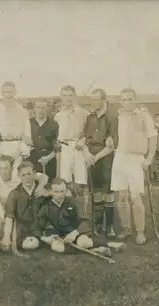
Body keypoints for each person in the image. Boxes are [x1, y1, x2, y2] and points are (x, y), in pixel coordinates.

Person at [111, 88, 157, 245]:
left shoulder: (144, 115)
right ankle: (126, 229)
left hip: (136, 158)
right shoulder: (118, 117)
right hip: (119, 158)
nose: (127, 103)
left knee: (136, 197)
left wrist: (149, 158)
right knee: (121, 198)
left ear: (135, 100)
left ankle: (140, 232)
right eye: (124, 100)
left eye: (130, 99)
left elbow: (153, 137)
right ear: (120, 102)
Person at [33, 178, 117, 255]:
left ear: (66, 191)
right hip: (59, 238)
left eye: (62, 191)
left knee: (83, 242)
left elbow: (86, 221)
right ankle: (96, 249)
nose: (59, 195)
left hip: (76, 234)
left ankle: (93, 246)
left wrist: (74, 233)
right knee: (56, 247)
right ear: (51, 191)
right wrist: (44, 238)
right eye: (56, 192)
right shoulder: (46, 208)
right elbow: (37, 227)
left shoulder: (73, 202)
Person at [82, 88, 116, 237]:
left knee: (108, 192)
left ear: (104, 100)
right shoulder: (89, 118)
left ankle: (109, 227)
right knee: (96, 193)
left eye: (96, 99)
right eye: (92, 99)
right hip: (91, 157)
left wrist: (95, 158)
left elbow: (112, 145)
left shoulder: (112, 117)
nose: (93, 102)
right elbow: (84, 139)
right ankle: (97, 225)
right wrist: (87, 154)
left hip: (105, 158)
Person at [54, 85, 90, 215]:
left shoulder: (83, 112)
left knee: (81, 184)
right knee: (65, 183)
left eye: (70, 95)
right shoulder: (58, 115)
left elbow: (89, 132)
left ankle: (83, 215)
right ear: (61, 97)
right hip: (63, 148)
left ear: (74, 96)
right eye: (65, 95)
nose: (67, 98)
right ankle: (68, 214)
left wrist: (84, 140)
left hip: (78, 148)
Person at [1, 161, 49, 256]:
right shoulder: (14, 194)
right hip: (23, 228)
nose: (27, 178)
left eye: (29, 174)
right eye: (23, 175)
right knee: (29, 245)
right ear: (18, 176)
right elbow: (9, 216)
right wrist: (6, 236)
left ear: (34, 174)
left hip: (40, 226)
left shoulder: (42, 190)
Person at [27, 99, 59, 181]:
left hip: (50, 160)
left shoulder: (54, 124)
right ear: (34, 108)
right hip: (33, 159)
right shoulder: (28, 123)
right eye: (38, 107)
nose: (40, 110)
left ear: (47, 108)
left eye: (43, 107)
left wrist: (48, 157)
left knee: (49, 184)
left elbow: (57, 145)